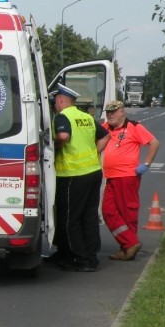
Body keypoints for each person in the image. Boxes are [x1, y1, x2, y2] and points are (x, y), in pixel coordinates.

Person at [51, 85, 110, 272]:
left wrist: (54, 146)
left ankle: (76, 258)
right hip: (93, 171)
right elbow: (105, 136)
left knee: (70, 218)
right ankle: (91, 256)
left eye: (54, 102)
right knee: (89, 216)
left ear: (61, 100)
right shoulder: (86, 117)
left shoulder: (63, 117)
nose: (54, 106)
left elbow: (63, 136)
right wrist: (94, 153)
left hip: (72, 175)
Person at [100, 99, 160, 261]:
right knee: (108, 211)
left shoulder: (133, 126)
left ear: (122, 111)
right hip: (111, 177)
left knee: (127, 213)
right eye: (108, 112)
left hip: (127, 177)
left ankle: (127, 248)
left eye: (113, 111)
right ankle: (130, 243)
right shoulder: (106, 128)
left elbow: (154, 143)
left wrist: (146, 164)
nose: (110, 115)